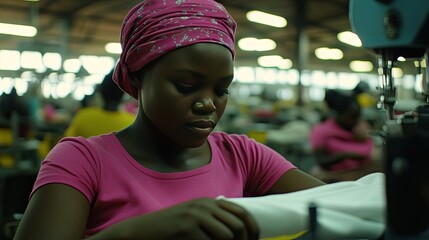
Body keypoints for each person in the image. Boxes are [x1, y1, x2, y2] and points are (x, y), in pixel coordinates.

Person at [14, 1, 325, 239]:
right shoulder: (81, 162)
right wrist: (141, 232)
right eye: (186, 87)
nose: (207, 104)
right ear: (137, 76)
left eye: (221, 90)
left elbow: (339, 204)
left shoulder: (243, 156)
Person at [309, 89, 383, 182]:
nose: (356, 120)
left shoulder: (358, 128)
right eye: (352, 116)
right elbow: (321, 161)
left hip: (365, 174)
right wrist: (346, 155)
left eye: (358, 116)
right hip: (337, 177)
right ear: (339, 114)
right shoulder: (321, 131)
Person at [63, 70, 135, 138]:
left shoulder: (83, 116)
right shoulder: (131, 122)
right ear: (123, 94)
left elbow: (66, 141)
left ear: (100, 92)